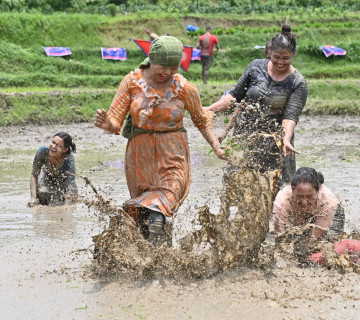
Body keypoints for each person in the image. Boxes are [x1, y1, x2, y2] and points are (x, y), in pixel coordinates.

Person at [94, 36, 225, 246]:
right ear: (151, 59)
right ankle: (152, 261)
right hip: (140, 159)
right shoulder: (131, 82)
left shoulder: (184, 88)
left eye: (173, 69)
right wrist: (106, 123)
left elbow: (201, 119)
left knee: (158, 210)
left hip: (173, 156)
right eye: (163, 67)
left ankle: (162, 266)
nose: (168, 73)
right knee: (142, 215)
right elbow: (115, 124)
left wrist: (216, 146)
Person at [205, 26, 308, 183]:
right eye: (276, 57)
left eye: (286, 58)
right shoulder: (255, 66)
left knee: (275, 188)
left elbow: (290, 117)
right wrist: (209, 110)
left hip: (275, 143)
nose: (280, 62)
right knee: (237, 184)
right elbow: (235, 96)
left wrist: (286, 139)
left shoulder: (297, 82)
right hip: (244, 136)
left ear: (293, 55)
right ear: (270, 53)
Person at [273, 167, 345, 240]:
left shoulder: (328, 201)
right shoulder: (282, 202)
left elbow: (312, 238)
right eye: (299, 196)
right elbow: (280, 236)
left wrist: (307, 245)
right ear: (292, 191)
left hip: (331, 213)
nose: (304, 202)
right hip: (300, 215)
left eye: (309, 196)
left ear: (318, 191)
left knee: (329, 241)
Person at [28, 132, 78, 207]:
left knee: (68, 203)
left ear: (65, 150)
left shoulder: (68, 159)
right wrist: (33, 198)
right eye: (53, 142)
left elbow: (70, 184)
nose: (53, 147)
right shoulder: (43, 151)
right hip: (48, 180)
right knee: (42, 193)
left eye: (59, 146)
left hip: (65, 184)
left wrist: (67, 207)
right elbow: (34, 175)